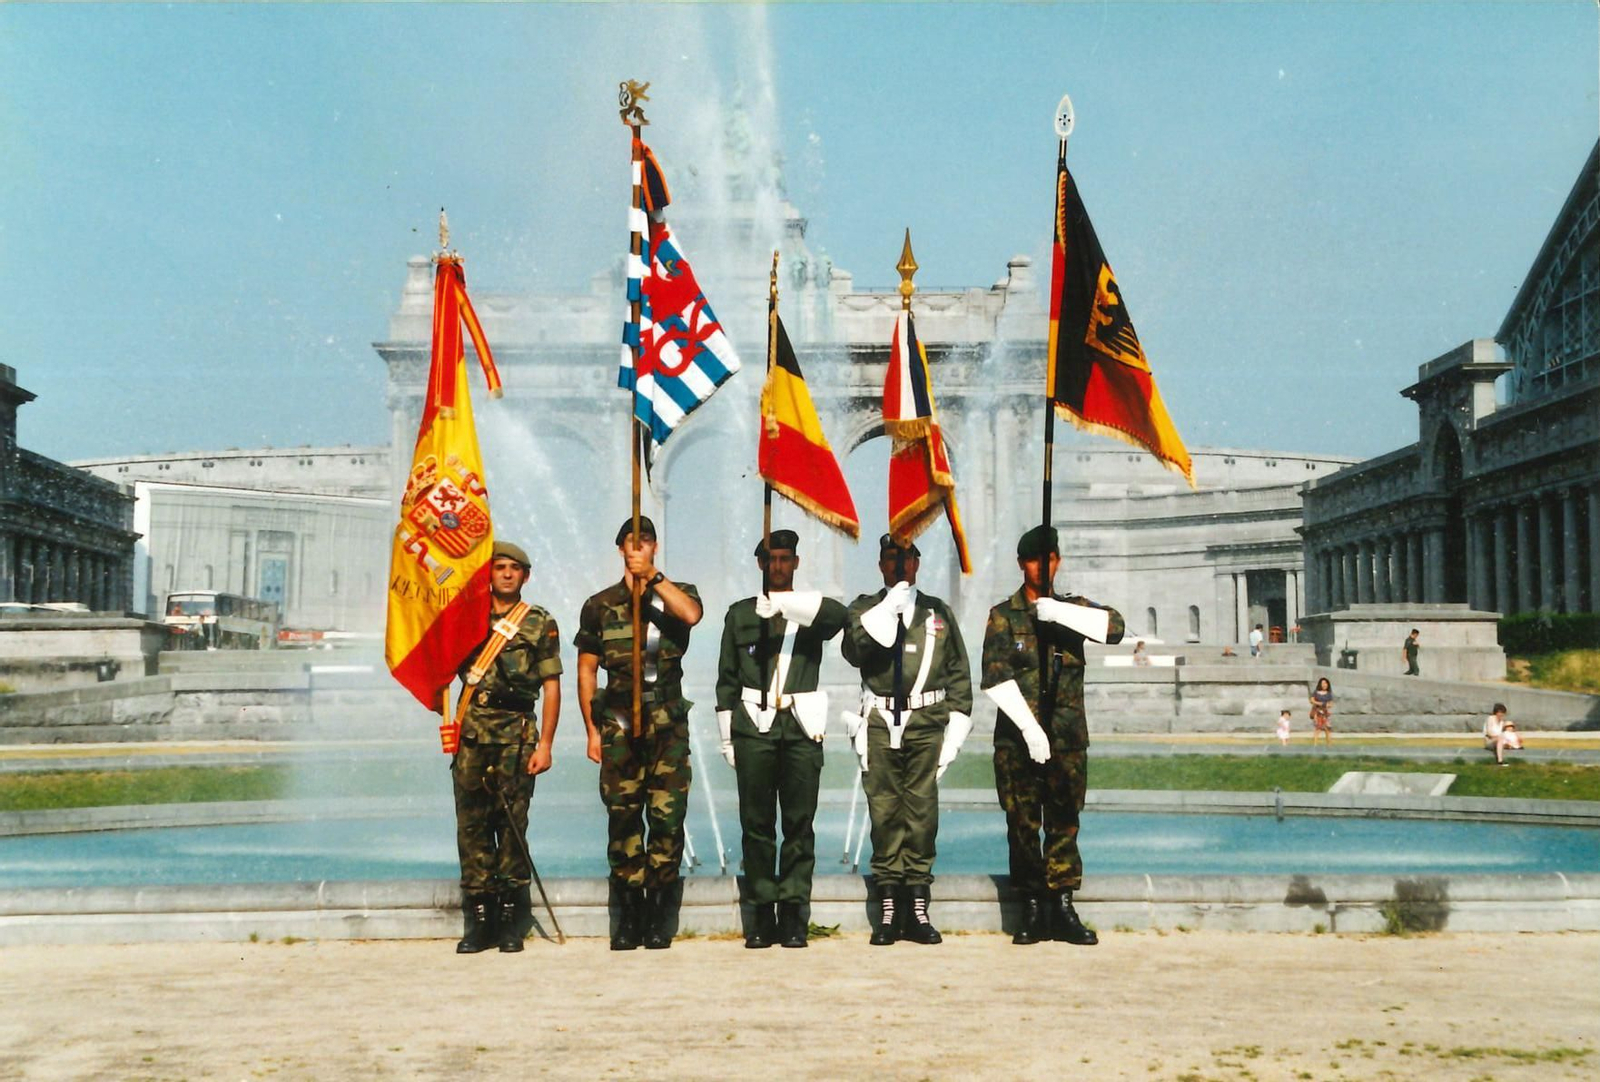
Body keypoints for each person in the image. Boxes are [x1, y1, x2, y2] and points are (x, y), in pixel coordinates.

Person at [981, 525, 1123, 947]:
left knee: (1064, 820)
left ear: (1058, 561)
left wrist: (1059, 613)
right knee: (1022, 822)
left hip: (1065, 738)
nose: (1042, 567)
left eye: (1049, 559)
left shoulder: (1074, 609)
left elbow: (1114, 628)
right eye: (1033, 560)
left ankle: (1061, 904)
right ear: (1021, 564)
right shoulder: (1003, 615)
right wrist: (1028, 727)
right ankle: (1028, 906)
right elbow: (994, 676)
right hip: (1018, 740)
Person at [715, 530, 847, 949]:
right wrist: (727, 738)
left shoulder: (809, 609)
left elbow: (838, 617)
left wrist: (786, 605)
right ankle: (760, 915)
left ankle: (793, 914)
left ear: (796, 563)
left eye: (786, 559)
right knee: (756, 826)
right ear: (759, 564)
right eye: (771, 559)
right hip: (754, 726)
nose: (778, 566)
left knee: (798, 825)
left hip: (801, 726)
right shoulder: (740, 615)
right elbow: (726, 680)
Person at [575, 516, 703, 951]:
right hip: (619, 726)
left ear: (654, 547)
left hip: (666, 724)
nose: (637, 548)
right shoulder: (600, 604)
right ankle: (628, 917)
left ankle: (658, 916)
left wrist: (653, 578)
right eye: (631, 543)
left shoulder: (675, 594)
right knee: (623, 818)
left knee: (667, 821)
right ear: (619, 550)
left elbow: (692, 615)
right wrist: (592, 731)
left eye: (645, 542)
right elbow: (587, 669)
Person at [841, 534, 974, 947]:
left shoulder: (937, 612)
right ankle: (888, 904)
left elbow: (958, 674)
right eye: (891, 559)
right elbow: (854, 651)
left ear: (918, 562)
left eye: (906, 558)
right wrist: (887, 610)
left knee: (920, 811)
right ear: (881, 564)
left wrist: (955, 730)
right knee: (883, 811)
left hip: (925, 720)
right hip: (880, 720)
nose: (899, 566)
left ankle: (916, 901)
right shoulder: (865, 609)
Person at [448, 541, 563, 955]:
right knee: (473, 829)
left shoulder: (538, 622)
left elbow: (552, 687)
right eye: (500, 567)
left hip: (516, 736)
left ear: (526, 576)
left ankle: (512, 922)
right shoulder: (464, 619)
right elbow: (442, 666)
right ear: (489, 574)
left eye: (516, 568)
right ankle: (480, 922)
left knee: (512, 828)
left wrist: (546, 743)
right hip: (473, 736)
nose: (508, 574)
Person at [1309, 677, 1334, 747]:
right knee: (1318, 729)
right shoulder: (1316, 692)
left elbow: (1331, 704)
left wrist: (1327, 705)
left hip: (1325, 713)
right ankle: (1315, 745)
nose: (1324, 685)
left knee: (1327, 729)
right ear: (1320, 684)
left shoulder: (1329, 694)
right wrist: (1320, 703)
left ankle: (1329, 745)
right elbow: (1312, 700)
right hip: (1318, 713)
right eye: (1323, 683)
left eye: (1326, 683)